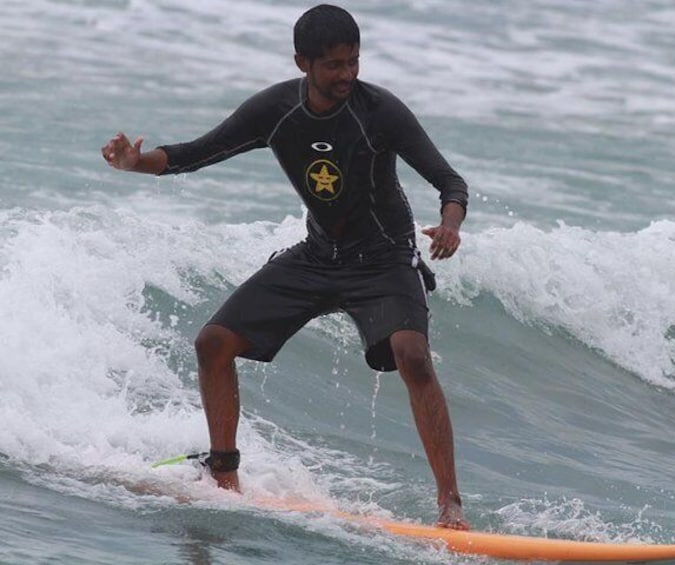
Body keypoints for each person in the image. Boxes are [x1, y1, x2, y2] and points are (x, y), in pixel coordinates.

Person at [101, 4, 468, 529]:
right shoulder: (276, 110)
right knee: (213, 343)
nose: (347, 75)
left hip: (384, 259)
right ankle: (224, 476)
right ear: (303, 63)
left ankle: (450, 503)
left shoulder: (380, 111)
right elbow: (194, 154)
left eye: (354, 62)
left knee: (412, 354)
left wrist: (450, 223)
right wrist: (135, 162)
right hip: (319, 256)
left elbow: (449, 181)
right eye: (334, 65)